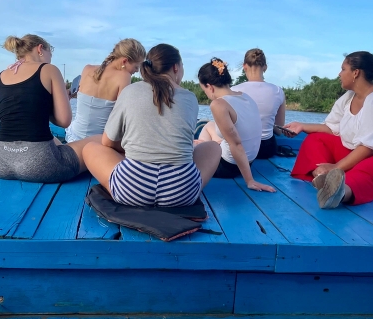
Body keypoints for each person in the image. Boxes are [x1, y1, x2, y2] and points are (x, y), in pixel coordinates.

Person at [82, 44, 221, 206]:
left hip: (131, 191)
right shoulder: (190, 98)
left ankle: (122, 185)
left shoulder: (130, 91)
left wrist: (136, 149)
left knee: (89, 148)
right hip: (181, 194)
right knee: (214, 147)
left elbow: (107, 142)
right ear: (176, 67)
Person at [285, 52, 373, 209]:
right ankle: (322, 176)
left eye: (343, 69)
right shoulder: (348, 97)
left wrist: (336, 166)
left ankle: (340, 192)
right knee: (315, 139)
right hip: (361, 153)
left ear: (356, 73)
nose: (339, 74)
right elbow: (331, 128)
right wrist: (301, 126)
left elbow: (369, 147)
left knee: (365, 169)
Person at [0, 35, 95, 182]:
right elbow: (64, 121)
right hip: (39, 164)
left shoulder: (0, 77)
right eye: (49, 55)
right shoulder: (49, 69)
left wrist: (49, 100)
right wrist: (61, 100)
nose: (50, 60)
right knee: (98, 141)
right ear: (40, 49)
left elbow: (21, 114)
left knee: (53, 140)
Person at [197, 59, 275, 192]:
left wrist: (249, 181)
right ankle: (205, 145)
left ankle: (203, 147)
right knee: (210, 125)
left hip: (228, 166)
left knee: (189, 148)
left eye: (204, 90)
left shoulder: (218, 104)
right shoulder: (245, 97)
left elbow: (236, 144)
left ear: (210, 87)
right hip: (249, 160)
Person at [65, 38, 146, 142]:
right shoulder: (124, 77)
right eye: (136, 66)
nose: (137, 71)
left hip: (73, 137)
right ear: (124, 61)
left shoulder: (87, 69)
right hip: (98, 143)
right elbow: (123, 117)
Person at [234, 48, 286, 159]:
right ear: (265, 67)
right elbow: (279, 130)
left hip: (243, 149)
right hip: (267, 149)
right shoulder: (278, 91)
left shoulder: (233, 91)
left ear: (244, 66)